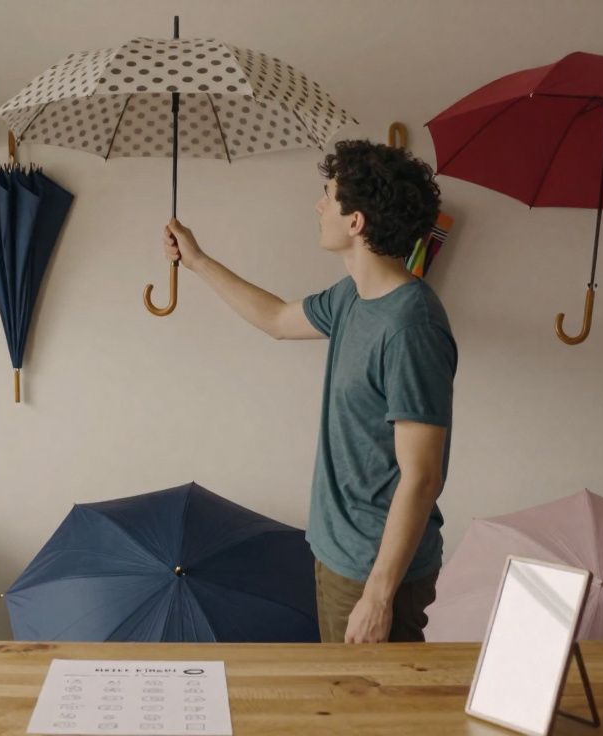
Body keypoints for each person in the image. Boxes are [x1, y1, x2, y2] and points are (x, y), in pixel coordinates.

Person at [162, 140, 456, 644]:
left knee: (369, 716)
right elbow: (276, 318)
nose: (320, 206)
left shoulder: (411, 326)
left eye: (328, 195)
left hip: (373, 568)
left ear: (356, 221)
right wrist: (198, 261)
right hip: (336, 550)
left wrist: (379, 597)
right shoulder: (353, 298)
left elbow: (422, 475)